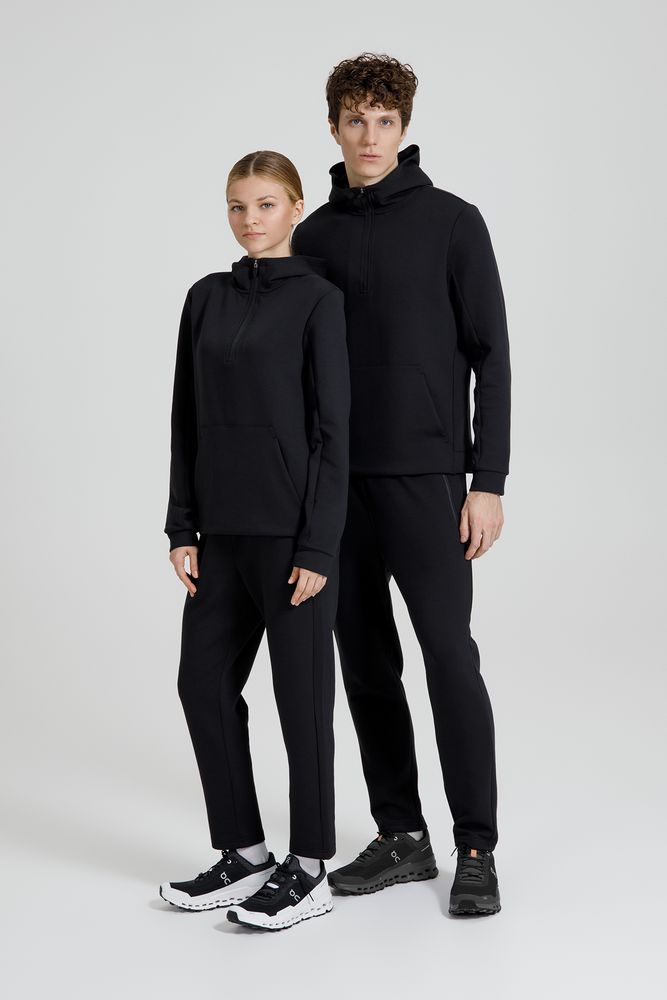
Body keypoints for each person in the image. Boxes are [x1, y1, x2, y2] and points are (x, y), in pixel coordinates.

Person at [292, 52, 511, 916]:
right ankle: (401, 835)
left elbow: (491, 356)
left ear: (404, 127)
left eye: (383, 121)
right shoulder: (312, 237)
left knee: (449, 657)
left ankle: (475, 847)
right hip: (337, 487)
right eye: (355, 120)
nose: (369, 136)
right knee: (366, 665)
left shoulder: (454, 223)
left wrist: (485, 479)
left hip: (427, 480)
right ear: (334, 127)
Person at [159, 150, 351, 931]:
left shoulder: (318, 301)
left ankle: (310, 869)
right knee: (202, 685)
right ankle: (244, 853)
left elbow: (333, 432)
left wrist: (319, 546)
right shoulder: (204, 298)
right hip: (221, 535)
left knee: (300, 702)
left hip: (290, 538)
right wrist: (182, 524)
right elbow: (185, 417)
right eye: (237, 206)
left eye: (265, 204)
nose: (249, 219)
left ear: (295, 208)